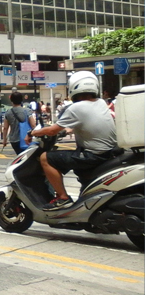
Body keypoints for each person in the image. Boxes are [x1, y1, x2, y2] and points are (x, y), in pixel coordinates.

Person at [25, 71, 117, 211]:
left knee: (45, 158)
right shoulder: (100, 102)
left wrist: (33, 132)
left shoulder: (76, 107)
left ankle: (62, 198)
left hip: (92, 155)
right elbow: (88, 123)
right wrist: (67, 130)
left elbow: (51, 130)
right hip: (107, 152)